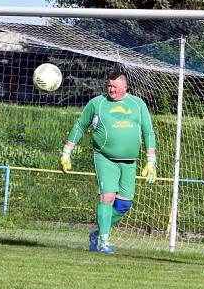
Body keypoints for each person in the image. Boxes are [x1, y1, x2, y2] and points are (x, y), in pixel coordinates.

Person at [60, 71, 156, 254]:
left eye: (115, 87)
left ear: (125, 88)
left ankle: (96, 234)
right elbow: (80, 126)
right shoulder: (97, 103)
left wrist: (151, 161)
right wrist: (66, 153)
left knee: (123, 205)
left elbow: (148, 131)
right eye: (108, 86)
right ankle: (104, 242)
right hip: (104, 158)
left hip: (129, 161)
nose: (111, 90)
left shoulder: (138, 104)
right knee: (107, 197)